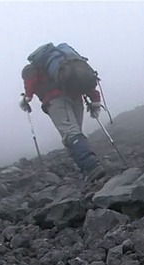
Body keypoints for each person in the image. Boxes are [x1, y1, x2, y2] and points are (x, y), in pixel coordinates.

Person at [19, 45, 106, 183]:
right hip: (77, 98)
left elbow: (30, 87)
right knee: (75, 132)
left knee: (70, 133)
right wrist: (95, 101)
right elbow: (85, 83)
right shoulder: (67, 63)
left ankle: (91, 165)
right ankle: (87, 170)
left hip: (56, 101)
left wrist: (26, 99)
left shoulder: (32, 68)